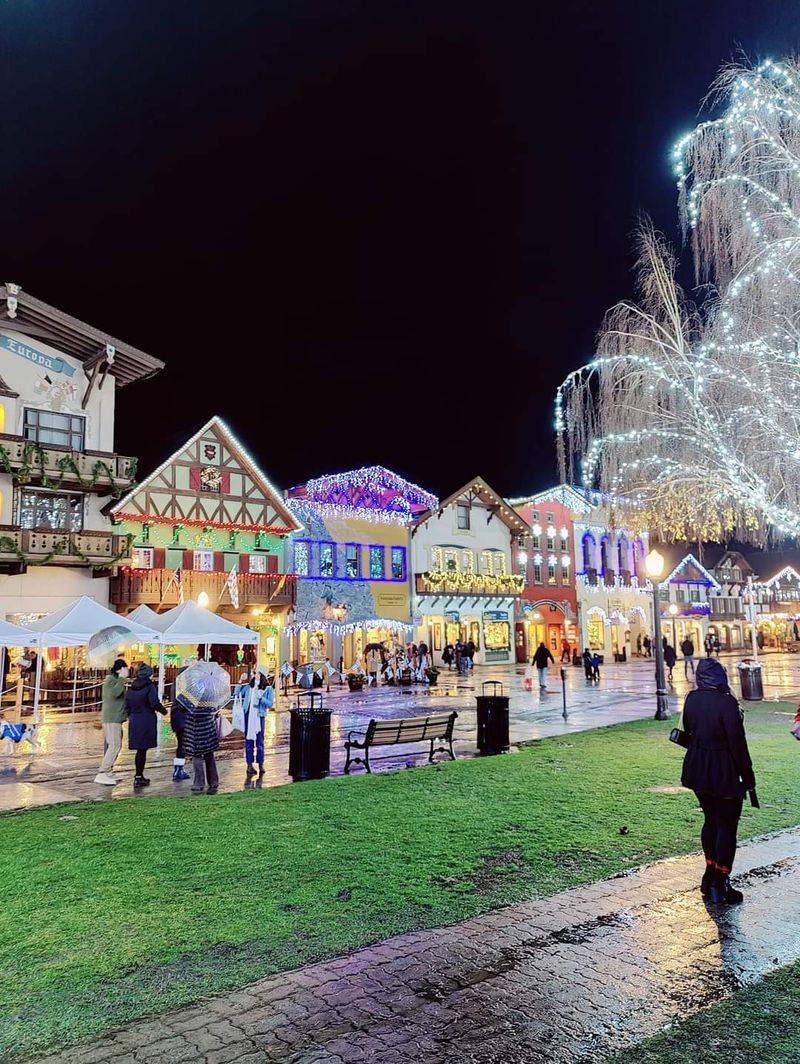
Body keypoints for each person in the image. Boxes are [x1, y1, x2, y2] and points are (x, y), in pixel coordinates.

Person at [680, 657, 756, 905]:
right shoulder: (727, 703)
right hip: (723, 770)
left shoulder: (691, 699)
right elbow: (738, 743)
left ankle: (709, 874)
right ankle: (720, 882)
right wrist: (748, 776)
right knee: (727, 825)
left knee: (710, 820)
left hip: (698, 768)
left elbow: (688, 731)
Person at [125, 663, 166, 788]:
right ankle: (139, 776)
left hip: (135, 719)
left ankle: (138, 775)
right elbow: (154, 702)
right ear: (149, 674)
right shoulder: (149, 686)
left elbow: (127, 704)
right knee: (143, 750)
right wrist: (163, 711)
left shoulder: (132, 687)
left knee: (140, 750)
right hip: (146, 719)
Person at [94, 658, 129, 785]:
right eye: (126, 668)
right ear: (120, 669)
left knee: (116, 745)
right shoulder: (111, 680)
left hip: (116, 718)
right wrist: (122, 678)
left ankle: (108, 771)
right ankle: (103, 772)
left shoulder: (114, 680)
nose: (128, 671)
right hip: (112, 719)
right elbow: (115, 693)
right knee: (114, 745)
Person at [235, 671, 274, 777]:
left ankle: (261, 764)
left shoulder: (268, 688)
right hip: (248, 716)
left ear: (261, 675)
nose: (253, 674)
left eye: (256, 673)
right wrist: (240, 680)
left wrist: (261, 698)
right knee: (248, 741)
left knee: (260, 742)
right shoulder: (249, 687)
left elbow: (270, 704)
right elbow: (237, 693)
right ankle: (249, 765)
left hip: (259, 716)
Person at [184, 688, 221, 795]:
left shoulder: (190, 694)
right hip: (208, 728)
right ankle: (213, 781)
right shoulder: (211, 694)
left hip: (195, 729)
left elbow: (184, 709)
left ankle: (199, 783)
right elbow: (215, 709)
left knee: (197, 756)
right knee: (209, 755)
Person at [170, 659, 192, 782]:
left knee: (181, 745)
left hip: (176, 718)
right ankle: (178, 770)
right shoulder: (185, 687)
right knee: (183, 745)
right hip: (183, 719)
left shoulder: (176, 684)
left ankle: (178, 768)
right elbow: (185, 704)